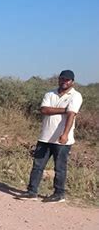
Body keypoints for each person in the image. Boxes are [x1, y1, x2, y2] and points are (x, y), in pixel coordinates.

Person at [18, 70, 83, 203]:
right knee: (37, 166)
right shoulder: (50, 93)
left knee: (59, 167)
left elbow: (71, 115)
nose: (64, 82)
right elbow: (44, 110)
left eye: (67, 80)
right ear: (59, 79)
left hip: (62, 139)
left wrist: (65, 134)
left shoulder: (75, 96)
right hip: (45, 137)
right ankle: (32, 192)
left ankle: (59, 194)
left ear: (72, 82)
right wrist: (65, 109)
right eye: (62, 79)